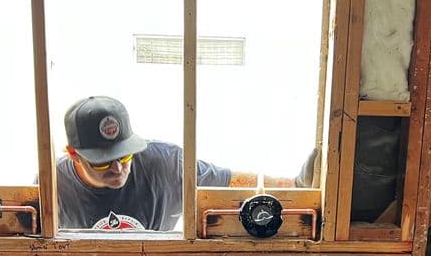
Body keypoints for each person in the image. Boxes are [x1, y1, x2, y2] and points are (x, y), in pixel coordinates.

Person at [56, 96, 308, 231]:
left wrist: (295, 186)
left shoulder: (166, 164)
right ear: (73, 154)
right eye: (103, 163)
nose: (118, 169)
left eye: (125, 156)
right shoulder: (54, 186)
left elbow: (229, 181)